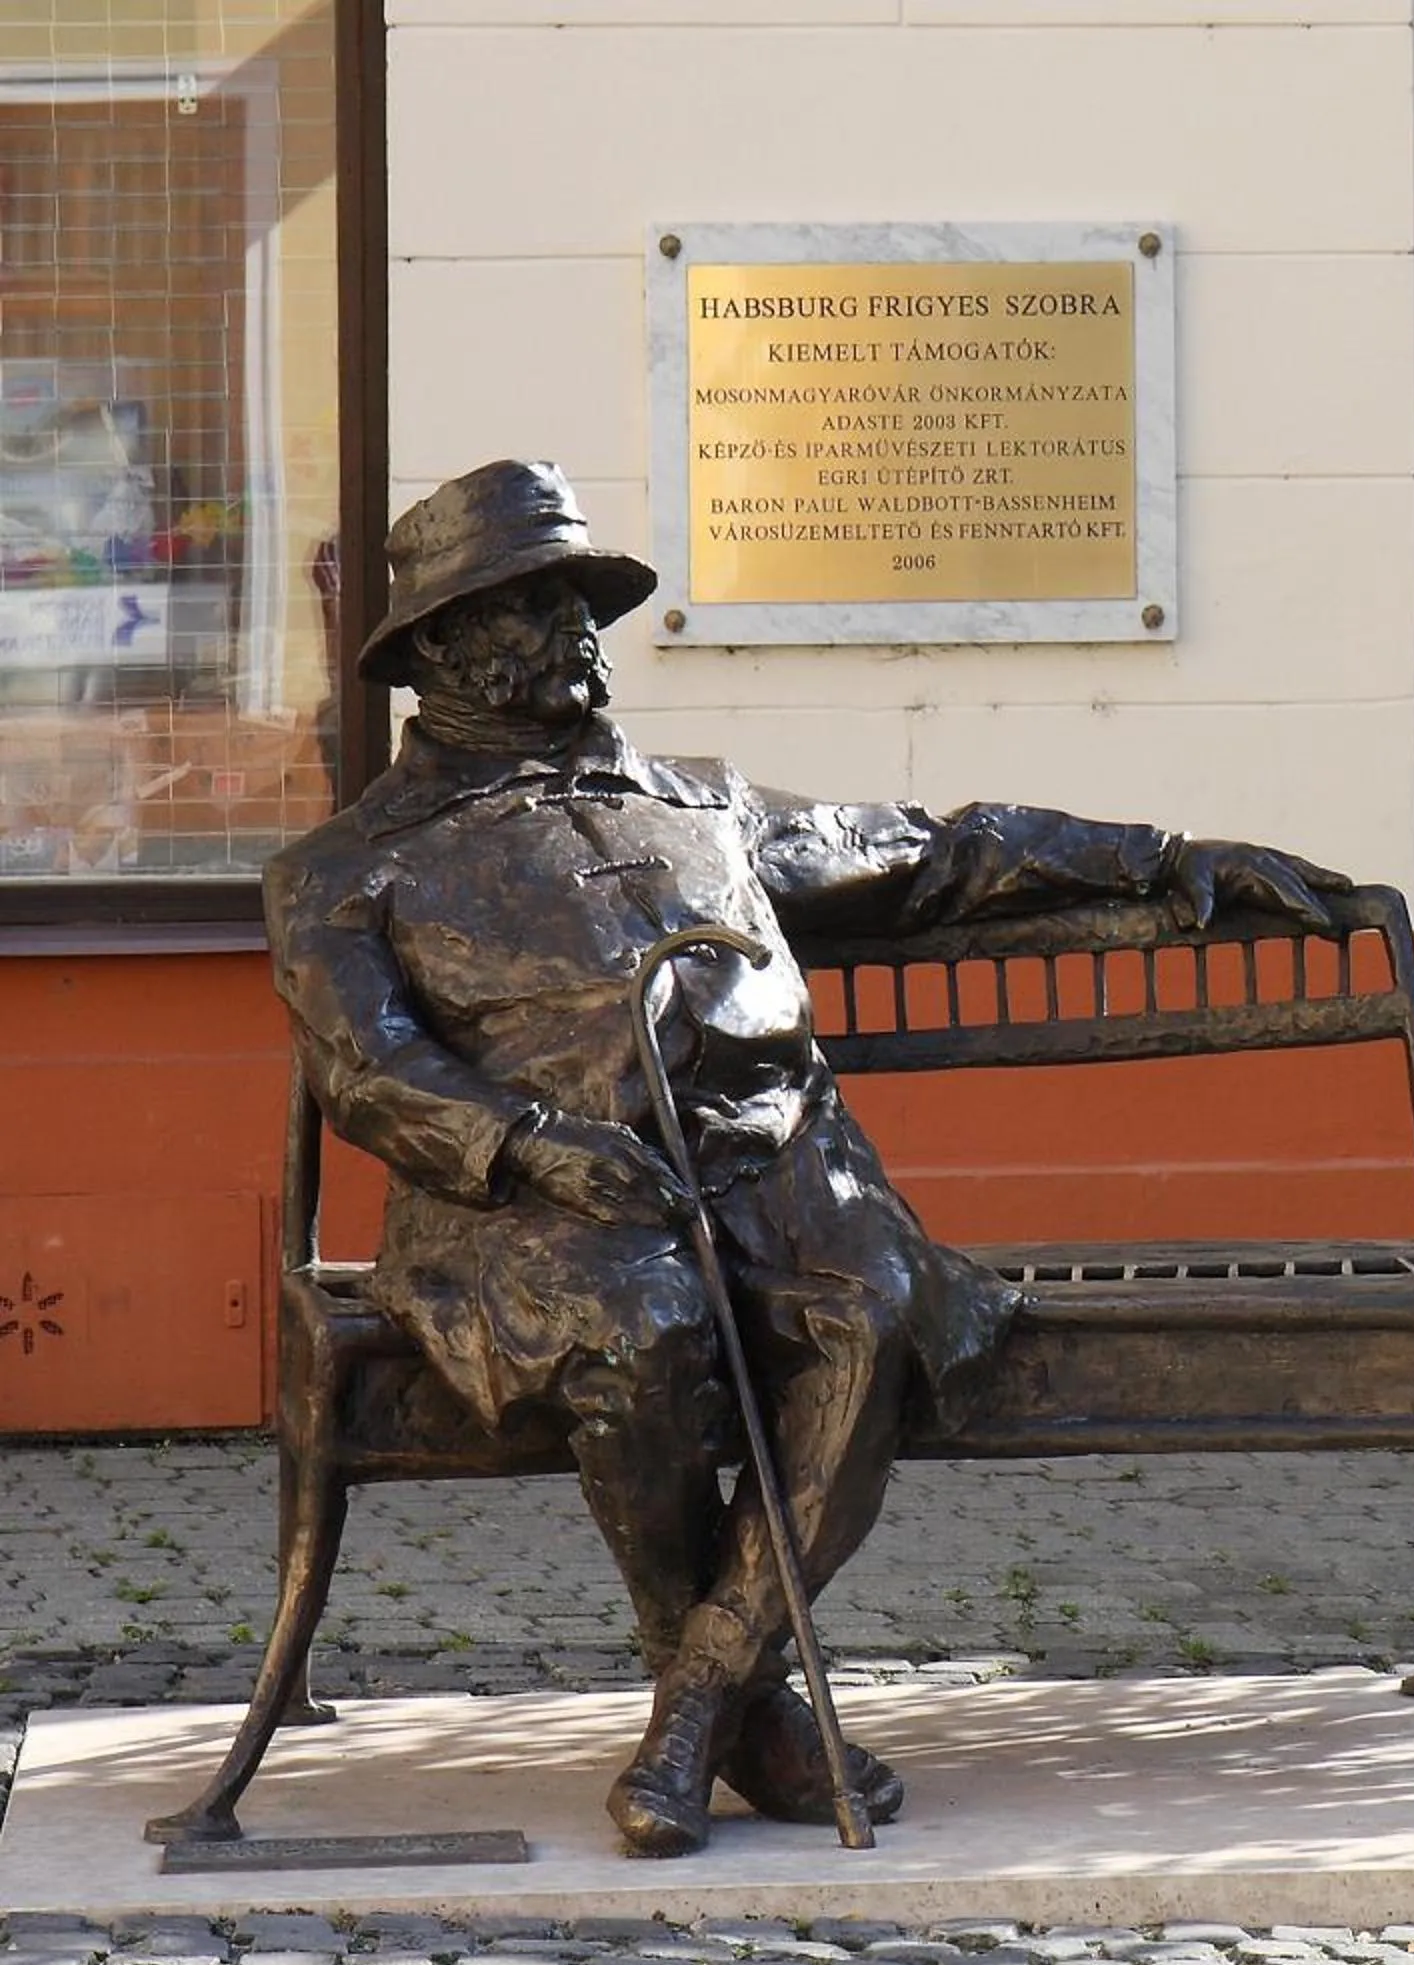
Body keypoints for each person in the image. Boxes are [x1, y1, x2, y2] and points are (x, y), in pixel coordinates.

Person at [264, 460, 1348, 1857]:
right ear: (439, 647)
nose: (578, 627)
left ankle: (698, 1707)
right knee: (639, 1331)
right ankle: (754, 1713)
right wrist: (535, 1143)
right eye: (535, 603)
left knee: (872, 1311)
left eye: (582, 598)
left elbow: (940, 854)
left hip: (781, 1167)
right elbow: (365, 1070)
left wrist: (1162, 857)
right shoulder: (343, 867)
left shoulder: (705, 802)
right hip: (528, 1205)